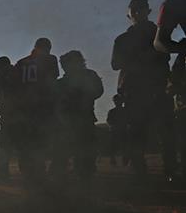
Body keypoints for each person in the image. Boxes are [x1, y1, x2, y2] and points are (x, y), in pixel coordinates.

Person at [113, 0, 174, 179]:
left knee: (163, 132)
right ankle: (143, 171)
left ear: (147, 11)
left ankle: (168, 171)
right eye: (134, 10)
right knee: (140, 132)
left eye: (140, 10)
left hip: (155, 88)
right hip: (137, 91)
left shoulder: (157, 34)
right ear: (129, 15)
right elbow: (115, 64)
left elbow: (165, 56)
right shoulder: (124, 39)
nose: (137, 13)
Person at [51, 51, 104, 180]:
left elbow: (98, 91)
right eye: (63, 65)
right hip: (69, 120)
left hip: (80, 118)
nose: (64, 67)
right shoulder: (64, 82)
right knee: (69, 150)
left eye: (66, 64)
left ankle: (82, 174)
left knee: (83, 150)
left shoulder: (86, 76)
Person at [14, 38, 60, 182]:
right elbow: (52, 79)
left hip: (24, 106)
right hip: (42, 105)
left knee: (26, 139)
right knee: (40, 139)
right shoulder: (50, 59)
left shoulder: (21, 62)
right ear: (47, 48)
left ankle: (27, 171)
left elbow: (15, 84)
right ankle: (38, 171)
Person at [0, 56, 19, 180]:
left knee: (7, 146)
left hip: (16, 117)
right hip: (9, 117)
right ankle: (3, 173)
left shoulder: (14, 77)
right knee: (5, 146)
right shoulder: (3, 79)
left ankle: (3, 173)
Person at [168, 53, 186, 179]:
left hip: (183, 106)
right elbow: (173, 81)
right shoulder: (183, 55)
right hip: (184, 107)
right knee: (184, 142)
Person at [106, 94, 127, 167]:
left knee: (123, 146)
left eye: (118, 101)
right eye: (116, 101)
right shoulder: (113, 111)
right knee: (114, 146)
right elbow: (109, 121)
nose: (117, 102)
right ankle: (113, 159)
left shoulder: (124, 111)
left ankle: (123, 159)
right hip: (116, 130)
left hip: (122, 130)